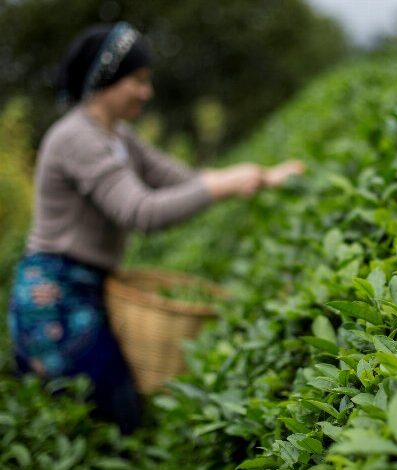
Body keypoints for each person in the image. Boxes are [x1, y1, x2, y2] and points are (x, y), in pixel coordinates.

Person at [5, 21, 304, 434]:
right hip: (54, 293)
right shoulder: (75, 138)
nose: (147, 92)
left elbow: (179, 178)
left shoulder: (120, 137)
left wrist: (262, 176)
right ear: (107, 80)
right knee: (98, 415)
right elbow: (140, 212)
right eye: (138, 81)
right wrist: (219, 186)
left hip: (91, 285)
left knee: (115, 413)